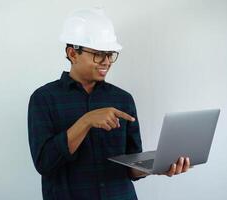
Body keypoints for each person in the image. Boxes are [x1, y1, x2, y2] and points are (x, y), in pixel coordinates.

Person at [28, 8, 190, 200]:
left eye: (110, 54)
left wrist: (157, 167)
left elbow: (131, 169)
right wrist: (86, 121)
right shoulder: (44, 99)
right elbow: (44, 164)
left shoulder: (123, 99)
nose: (106, 62)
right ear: (72, 53)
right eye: (98, 54)